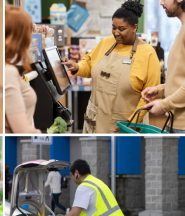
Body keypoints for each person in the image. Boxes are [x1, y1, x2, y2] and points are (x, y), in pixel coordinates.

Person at [62, 0, 160, 133]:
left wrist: (129, 125)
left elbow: (148, 97)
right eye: (114, 27)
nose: (116, 33)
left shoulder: (148, 53)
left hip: (124, 126)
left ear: (135, 27)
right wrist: (77, 67)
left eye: (122, 29)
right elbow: (89, 64)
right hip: (94, 123)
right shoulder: (106, 42)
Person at [142, 0, 185, 133]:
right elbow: (180, 79)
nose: (161, 3)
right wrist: (159, 90)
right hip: (174, 123)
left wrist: (163, 105)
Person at [5, 5, 41, 134]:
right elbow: (22, 131)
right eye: (28, 33)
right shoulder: (8, 72)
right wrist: (39, 134)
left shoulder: (4, 67)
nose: (31, 38)